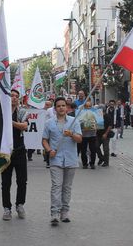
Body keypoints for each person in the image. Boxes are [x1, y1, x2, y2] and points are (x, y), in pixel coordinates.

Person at [42, 97, 82, 226]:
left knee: (67, 187)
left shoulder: (74, 122)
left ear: (67, 107)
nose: (61, 108)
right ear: (55, 109)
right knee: (56, 186)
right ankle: (54, 213)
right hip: (56, 159)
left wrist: (71, 134)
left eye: (63, 105)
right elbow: (44, 140)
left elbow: (79, 139)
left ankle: (65, 212)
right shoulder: (49, 123)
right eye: (58, 106)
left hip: (70, 159)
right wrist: (49, 150)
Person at [2, 89, 29, 221]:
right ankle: (7, 208)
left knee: (22, 181)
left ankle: (20, 205)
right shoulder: (2, 111)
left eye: (16, 96)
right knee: (6, 182)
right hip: (5, 152)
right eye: (11, 96)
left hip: (19, 150)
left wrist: (10, 122)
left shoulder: (22, 112)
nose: (13, 98)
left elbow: (24, 126)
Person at [78, 100, 97, 169]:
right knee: (83, 150)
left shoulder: (95, 113)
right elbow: (78, 123)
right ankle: (85, 164)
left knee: (93, 150)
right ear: (84, 107)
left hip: (93, 134)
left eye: (90, 106)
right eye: (86, 106)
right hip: (83, 135)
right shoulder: (80, 113)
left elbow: (99, 123)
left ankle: (92, 164)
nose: (88, 107)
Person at [97, 99, 114, 167]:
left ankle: (106, 162)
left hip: (105, 135)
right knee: (95, 147)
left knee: (105, 149)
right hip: (98, 134)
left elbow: (110, 126)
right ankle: (101, 158)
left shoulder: (107, 116)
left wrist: (106, 134)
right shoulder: (97, 116)